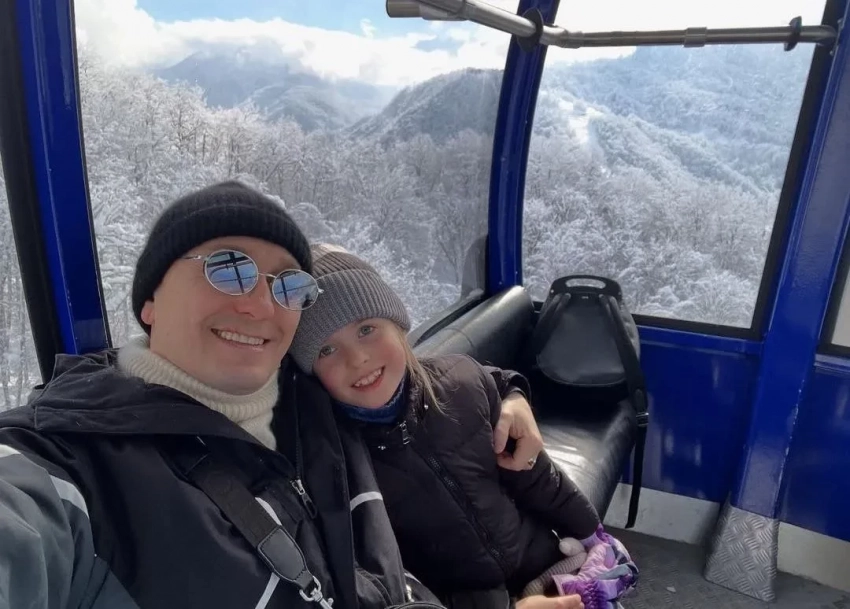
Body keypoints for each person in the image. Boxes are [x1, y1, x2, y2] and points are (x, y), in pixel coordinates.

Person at [0, 181, 558, 609]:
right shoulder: (72, 464)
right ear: (150, 302)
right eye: (228, 268)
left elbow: (426, 379)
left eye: (289, 284)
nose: (262, 306)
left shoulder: (316, 399)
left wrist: (507, 394)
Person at [288, 245, 636, 608]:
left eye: (367, 329)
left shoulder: (462, 383)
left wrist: (591, 533)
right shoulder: (340, 464)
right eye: (326, 350)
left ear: (398, 325)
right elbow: (391, 582)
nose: (357, 358)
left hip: (543, 562)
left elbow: (537, 476)